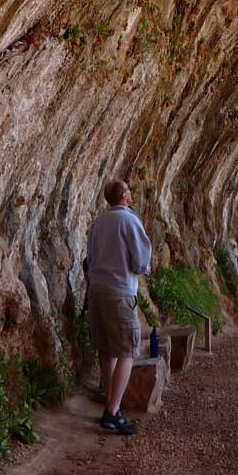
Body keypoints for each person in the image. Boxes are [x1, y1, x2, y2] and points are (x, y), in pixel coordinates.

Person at [85, 178, 152, 434]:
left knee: (106, 350)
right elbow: (141, 261)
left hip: (97, 290)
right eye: (128, 190)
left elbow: (89, 258)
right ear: (124, 197)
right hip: (119, 291)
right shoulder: (129, 220)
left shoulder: (99, 222)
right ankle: (113, 412)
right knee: (127, 351)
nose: (131, 192)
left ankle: (109, 405)